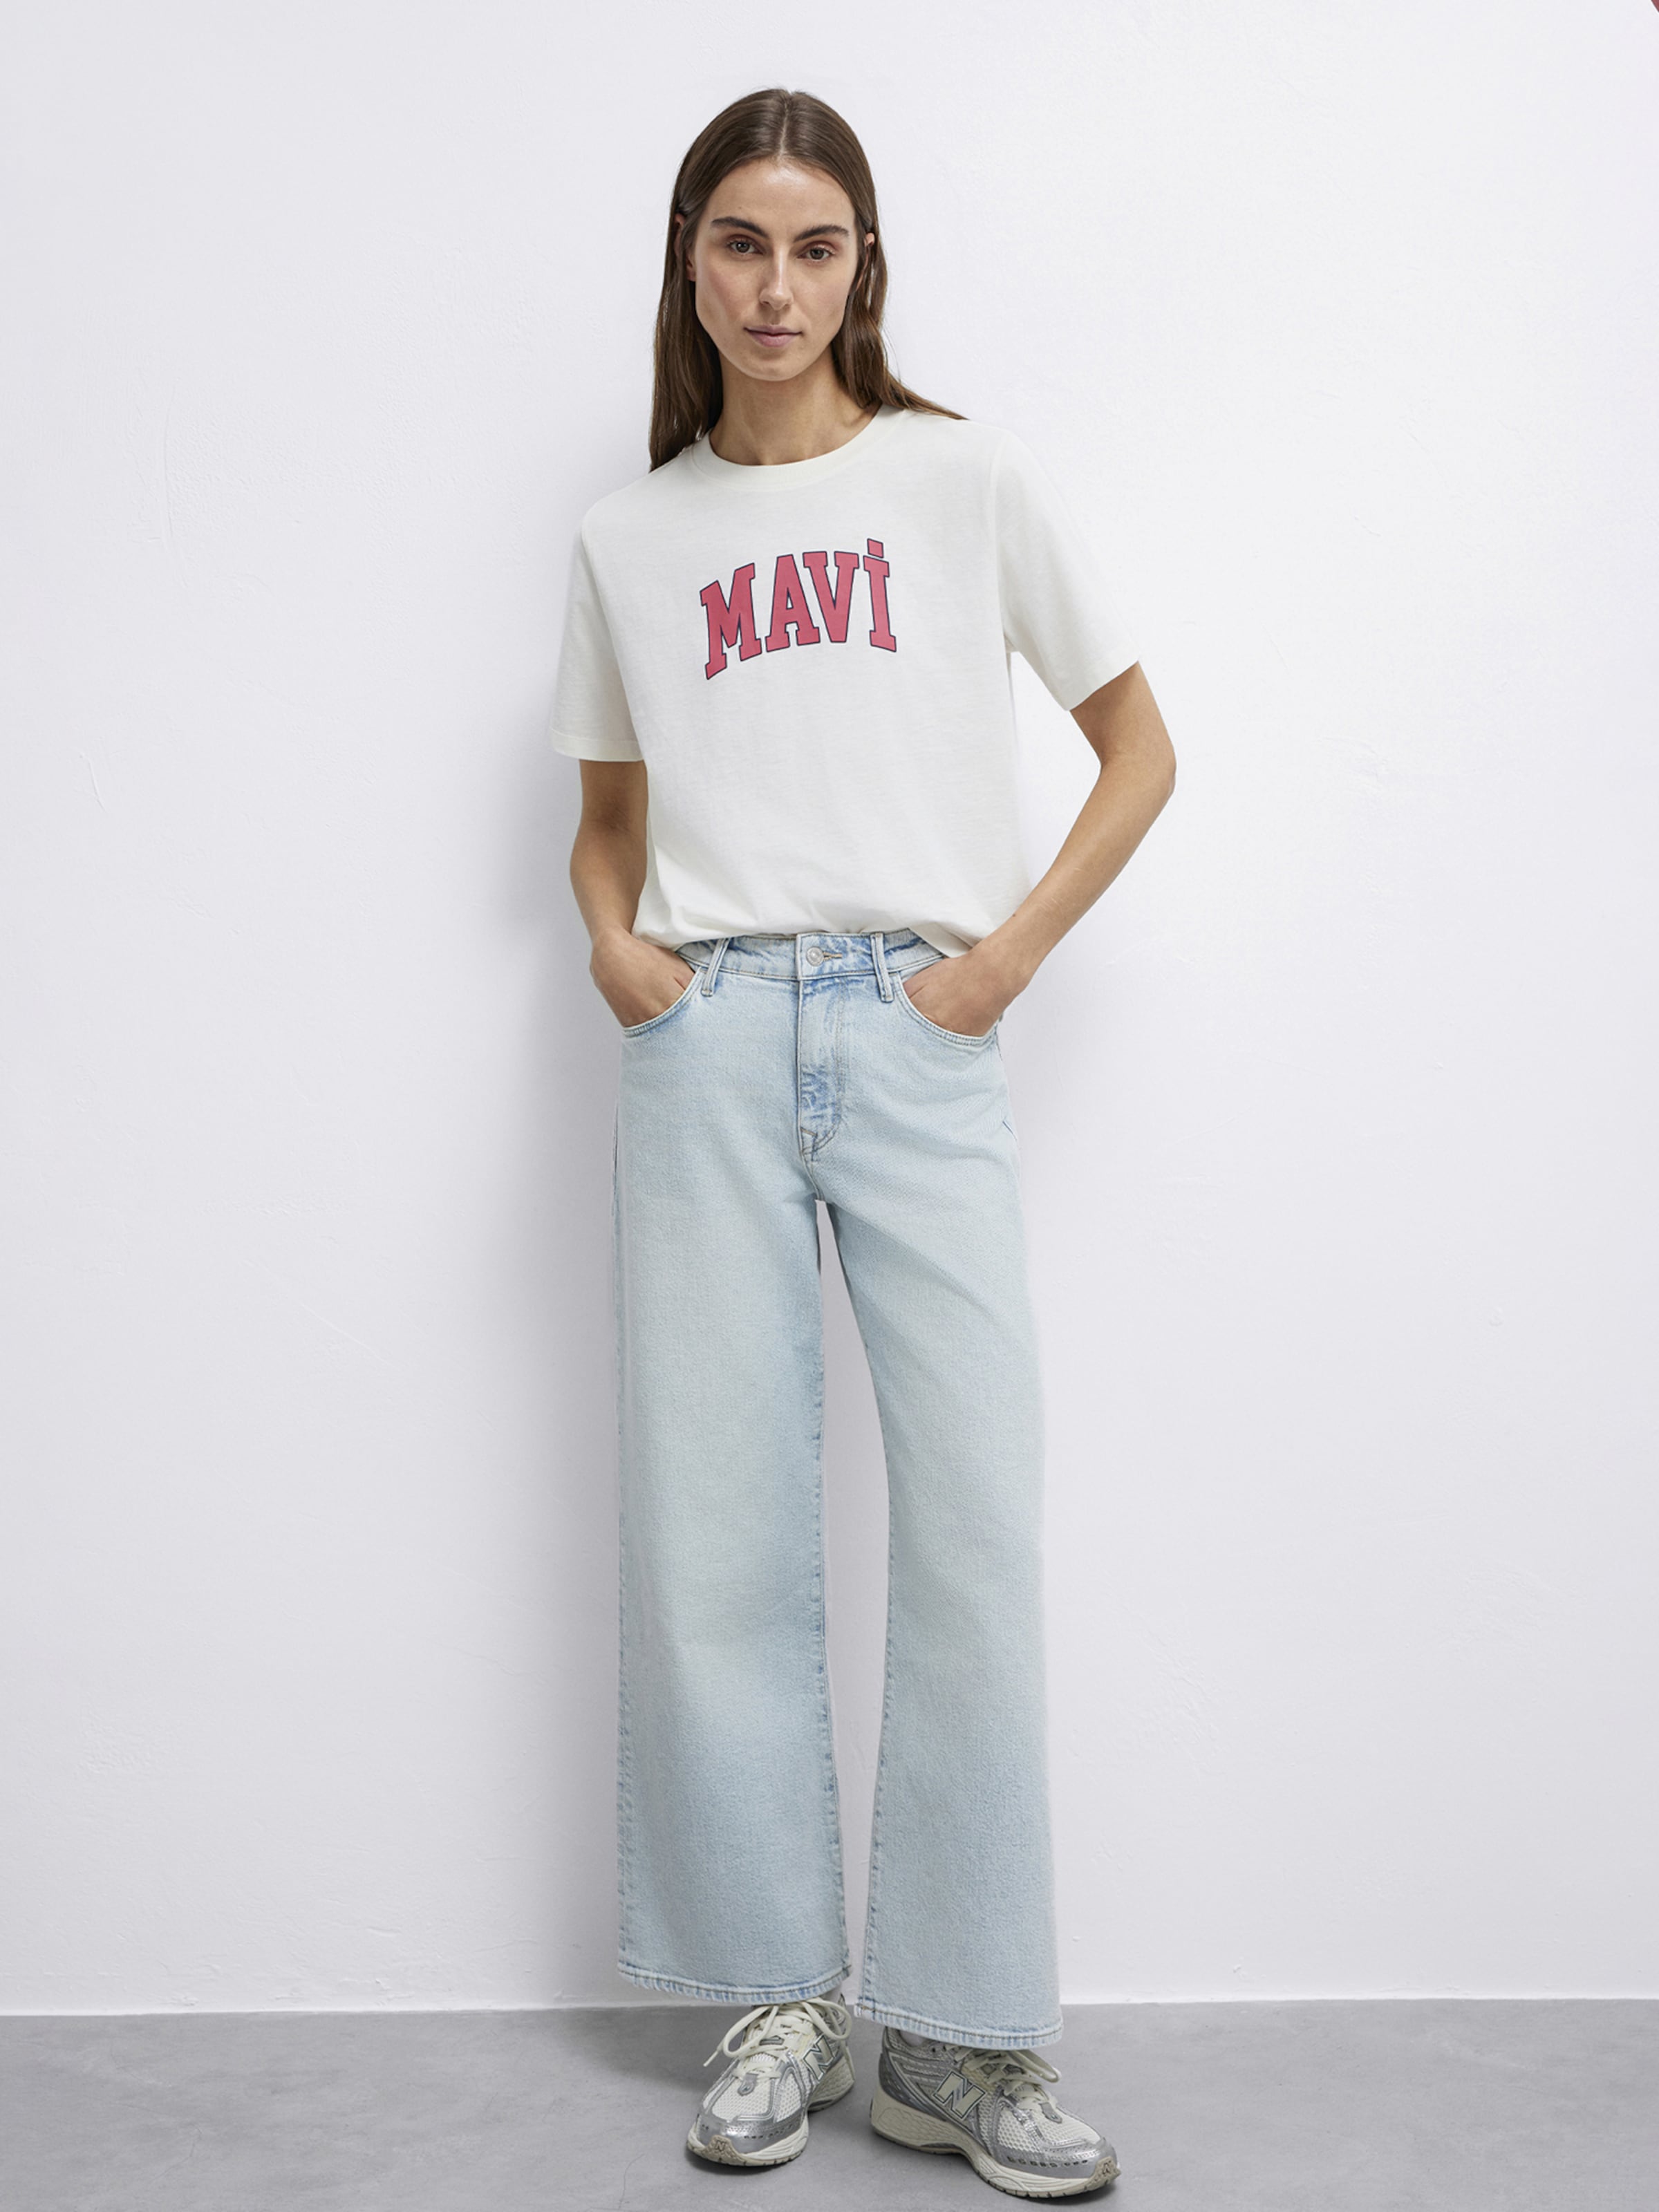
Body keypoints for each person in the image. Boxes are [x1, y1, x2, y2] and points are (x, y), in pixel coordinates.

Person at [547, 86, 1174, 2200]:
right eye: (741, 243)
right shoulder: (632, 537)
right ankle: (777, 2002)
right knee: (715, 1535)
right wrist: (618, 948)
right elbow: (608, 813)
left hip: (918, 1032)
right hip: (709, 1038)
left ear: (865, 266)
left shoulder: (963, 479)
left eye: (816, 247)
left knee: (975, 1522)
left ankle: (965, 2036)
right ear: (691, 262)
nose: (778, 287)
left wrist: (993, 966)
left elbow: (1139, 748)